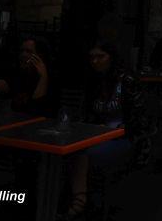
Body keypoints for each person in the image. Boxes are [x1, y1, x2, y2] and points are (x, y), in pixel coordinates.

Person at [66, 40, 151, 219]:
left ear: (111, 58)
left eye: (100, 56)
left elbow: (140, 117)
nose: (95, 61)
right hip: (96, 135)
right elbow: (86, 113)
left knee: (83, 155)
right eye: (92, 57)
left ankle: (80, 201)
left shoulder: (126, 81)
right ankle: (78, 198)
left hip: (124, 137)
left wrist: (120, 129)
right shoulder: (93, 82)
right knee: (74, 152)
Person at [0, 36, 52, 116]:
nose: (23, 55)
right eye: (22, 51)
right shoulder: (18, 74)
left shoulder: (49, 79)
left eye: (29, 51)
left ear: (40, 56)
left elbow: (37, 110)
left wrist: (43, 77)